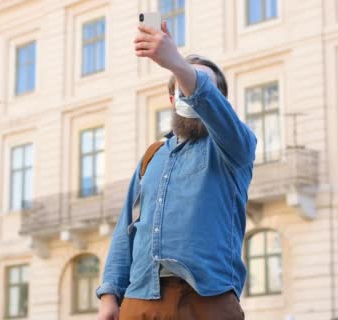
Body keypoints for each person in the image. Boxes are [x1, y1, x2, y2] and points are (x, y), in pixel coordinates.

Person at [96, 20, 257, 320]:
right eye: (182, 88)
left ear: (220, 101)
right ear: (172, 100)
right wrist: (109, 295)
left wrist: (179, 66)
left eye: (199, 83)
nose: (189, 91)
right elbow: (125, 232)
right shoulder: (151, 156)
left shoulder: (233, 149)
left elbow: (222, 119)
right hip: (140, 298)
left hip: (207, 298)